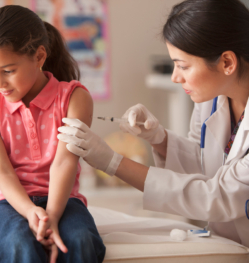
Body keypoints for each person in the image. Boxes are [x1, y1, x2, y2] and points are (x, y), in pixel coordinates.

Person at [58, 0, 249, 248]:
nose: (175, 76)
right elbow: (203, 167)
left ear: (227, 63)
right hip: (228, 242)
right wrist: (160, 139)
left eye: (183, 66)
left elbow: (215, 195)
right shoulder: (211, 100)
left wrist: (113, 162)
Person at [0, 5, 105, 263]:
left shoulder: (74, 98)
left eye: (8, 71)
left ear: (40, 56)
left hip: (63, 198)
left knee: (80, 240)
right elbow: (3, 172)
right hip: (6, 202)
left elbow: (64, 162)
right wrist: (31, 211)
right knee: (17, 241)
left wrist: (51, 215)